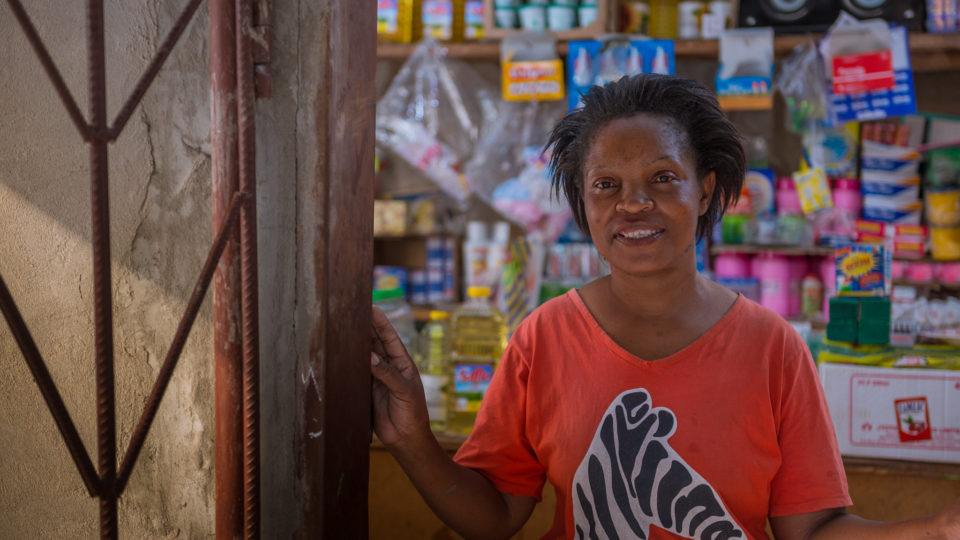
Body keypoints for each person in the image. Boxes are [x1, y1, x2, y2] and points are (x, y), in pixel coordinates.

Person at [369, 74, 960, 539]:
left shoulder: (773, 347)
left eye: (662, 178)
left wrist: (934, 529)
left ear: (703, 191)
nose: (634, 204)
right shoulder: (542, 337)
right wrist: (412, 440)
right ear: (583, 200)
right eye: (607, 185)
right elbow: (496, 516)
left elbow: (814, 529)